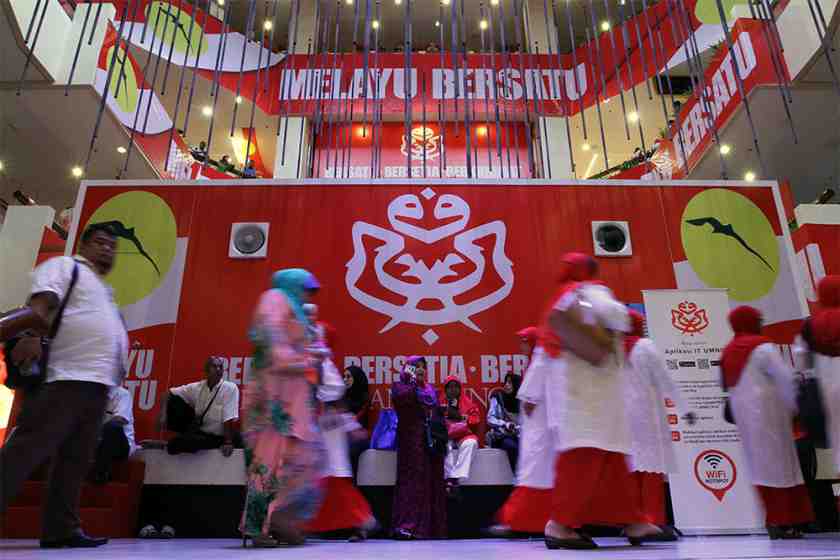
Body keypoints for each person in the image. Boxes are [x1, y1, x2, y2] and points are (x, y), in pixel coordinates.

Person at [0, 223, 127, 549]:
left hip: (97, 386)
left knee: (75, 460)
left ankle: (61, 529)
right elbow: (39, 310)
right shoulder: (64, 267)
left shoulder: (104, 290)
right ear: (83, 245)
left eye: (112, 246)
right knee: (25, 452)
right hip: (65, 378)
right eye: (100, 242)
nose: (107, 250)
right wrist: (23, 333)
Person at [533, 252, 663, 549]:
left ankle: (632, 519)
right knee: (586, 454)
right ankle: (559, 525)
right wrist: (620, 314)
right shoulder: (588, 291)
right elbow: (616, 314)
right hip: (589, 390)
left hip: (588, 388)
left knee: (610, 457)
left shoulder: (563, 296)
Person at [240, 269, 326, 547]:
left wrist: (312, 356)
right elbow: (272, 343)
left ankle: (280, 520)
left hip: (293, 401)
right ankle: (256, 527)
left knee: (300, 460)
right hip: (274, 401)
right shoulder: (275, 298)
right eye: (306, 288)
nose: (308, 294)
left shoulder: (296, 309)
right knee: (268, 463)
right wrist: (304, 361)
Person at [723, 306, 814, 539]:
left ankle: (772, 519)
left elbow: (723, 384)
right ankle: (785, 522)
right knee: (781, 468)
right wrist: (796, 408)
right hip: (771, 415)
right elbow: (784, 378)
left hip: (745, 418)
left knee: (760, 469)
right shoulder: (763, 348)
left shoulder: (728, 350)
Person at [624, 310, 692, 536]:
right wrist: (685, 408)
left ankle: (632, 521)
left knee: (631, 470)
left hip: (621, 419)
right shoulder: (645, 347)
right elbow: (666, 380)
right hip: (647, 415)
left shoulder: (613, 350)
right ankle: (654, 520)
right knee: (652, 470)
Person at [304, 356, 377, 542]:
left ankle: (364, 521)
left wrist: (356, 431)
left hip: (335, 462)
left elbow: (350, 424)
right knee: (322, 493)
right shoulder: (320, 409)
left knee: (342, 492)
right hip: (323, 461)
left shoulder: (337, 409)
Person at [491, 330, 554, 536]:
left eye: (524, 342)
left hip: (538, 431)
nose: (521, 346)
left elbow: (528, 404)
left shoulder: (538, 362)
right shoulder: (539, 362)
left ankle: (516, 521)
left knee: (532, 475)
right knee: (537, 476)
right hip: (538, 431)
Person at [391, 356, 447, 540]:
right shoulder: (400, 386)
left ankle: (428, 528)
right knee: (412, 483)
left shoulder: (430, 390)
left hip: (430, 442)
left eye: (423, 367)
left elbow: (436, 412)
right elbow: (402, 402)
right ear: (408, 369)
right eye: (416, 367)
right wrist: (412, 382)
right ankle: (407, 526)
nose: (421, 370)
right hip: (410, 442)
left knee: (430, 481)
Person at [796, 276, 840, 471]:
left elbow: (801, 362)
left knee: (828, 439)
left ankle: (833, 489)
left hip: (826, 391)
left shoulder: (809, 325)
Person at [161, 356, 240, 456]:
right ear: (206, 371)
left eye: (220, 367)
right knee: (172, 446)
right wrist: (163, 415)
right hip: (202, 433)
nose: (218, 370)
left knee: (189, 444)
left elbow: (228, 418)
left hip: (220, 437)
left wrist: (228, 442)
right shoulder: (197, 387)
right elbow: (168, 393)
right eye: (214, 367)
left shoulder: (230, 388)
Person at [442, 376, 480, 495]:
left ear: (460, 389)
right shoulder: (440, 403)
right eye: (450, 387)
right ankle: (448, 478)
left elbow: (476, 420)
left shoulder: (468, 403)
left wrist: (462, 417)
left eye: (456, 387)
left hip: (463, 435)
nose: (453, 390)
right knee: (442, 445)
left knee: (471, 443)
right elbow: (434, 420)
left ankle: (455, 478)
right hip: (446, 435)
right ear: (446, 389)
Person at [93, 385, 138, 484]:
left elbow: (120, 420)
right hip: (96, 442)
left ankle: (101, 473)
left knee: (112, 427)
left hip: (120, 445)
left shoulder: (122, 394)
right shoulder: (91, 395)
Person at [486, 373, 521, 471]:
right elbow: (490, 418)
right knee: (512, 446)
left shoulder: (522, 402)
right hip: (501, 436)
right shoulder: (497, 397)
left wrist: (517, 428)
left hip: (518, 435)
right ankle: (517, 477)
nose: (506, 385)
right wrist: (505, 424)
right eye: (506, 382)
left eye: (510, 382)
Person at [343, 365, 372, 479]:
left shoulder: (363, 399)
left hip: (357, 441)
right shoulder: (340, 398)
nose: (345, 379)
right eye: (344, 376)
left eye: (348, 377)